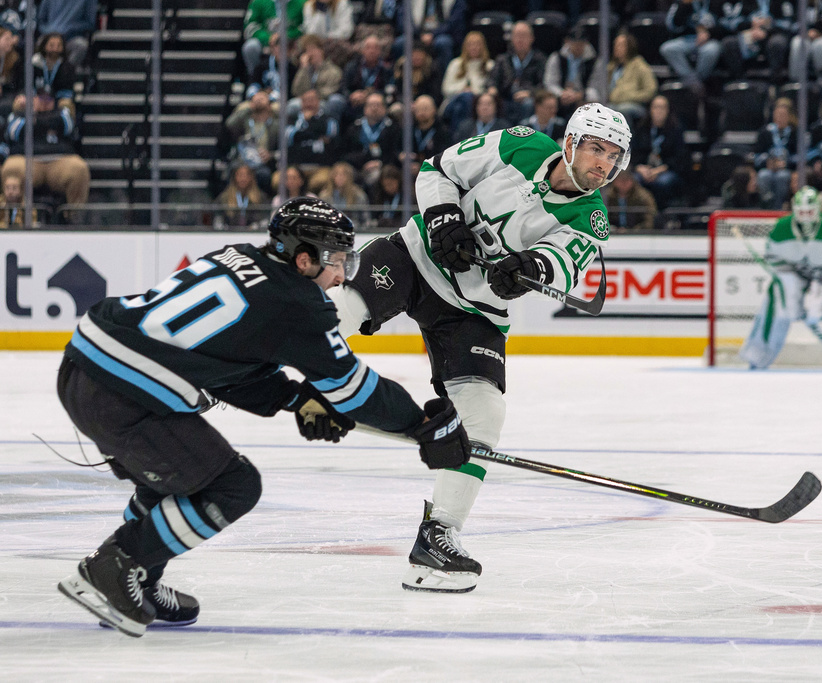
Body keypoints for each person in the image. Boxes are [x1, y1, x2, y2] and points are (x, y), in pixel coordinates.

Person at [56, 198, 471, 637]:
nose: (340, 275)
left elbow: (228, 367)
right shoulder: (297, 303)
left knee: (173, 478)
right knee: (233, 485)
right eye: (334, 261)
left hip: (88, 368)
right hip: (125, 393)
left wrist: (297, 400)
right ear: (303, 257)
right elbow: (354, 389)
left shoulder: (238, 255)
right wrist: (421, 425)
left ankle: (140, 576)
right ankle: (116, 566)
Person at [326, 103, 631, 593]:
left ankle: (438, 535)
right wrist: (444, 217)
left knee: (484, 414)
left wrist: (528, 270)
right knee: (338, 311)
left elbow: (562, 264)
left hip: (473, 311)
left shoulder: (591, 219)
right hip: (414, 255)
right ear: (571, 142)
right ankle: (242, 367)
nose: (603, 164)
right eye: (596, 148)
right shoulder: (522, 144)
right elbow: (438, 170)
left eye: (613, 157)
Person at [739, 186, 822, 369]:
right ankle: (758, 358)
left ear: (818, 210)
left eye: (809, 211)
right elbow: (774, 260)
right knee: (777, 308)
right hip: (792, 277)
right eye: (801, 211)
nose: (805, 216)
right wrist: (792, 286)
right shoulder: (781, 228)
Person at [2, 93, 91, 207]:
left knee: (79, 169)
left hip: (60, 160)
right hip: (28, 161)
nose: (44, 102)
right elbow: (13, 131)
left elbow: (68, 125)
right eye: (40, 98)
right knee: (11, 168)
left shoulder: (61, 112)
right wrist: (48, 122)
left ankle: (73, 216)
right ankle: (16, 217)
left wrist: (35, 122)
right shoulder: (19, 114)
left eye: (48, 99)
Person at [631, 94, 690, 209]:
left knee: (663, 182)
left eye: (662, 108)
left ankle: (661, 213)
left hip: (665, 170)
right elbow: (634, 154)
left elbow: (679, 158)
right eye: (656, 107)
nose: (659, 111)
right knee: (634, 180)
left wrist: (656, 171)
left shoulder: (675, 130)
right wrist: (640, 168)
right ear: (650, 110)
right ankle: (640, 213)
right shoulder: (641, 129)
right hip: (644, 169)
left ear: (668, 110)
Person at [486, 21, 546, 126]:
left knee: (528, 104)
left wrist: (530, 93)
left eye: (523, 36)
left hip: (528, 98)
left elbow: (543, 84)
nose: (520, 40)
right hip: (506, 97)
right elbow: (493, 80)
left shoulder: (540, 60)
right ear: (512, 39)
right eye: (517, 36)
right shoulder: (503, 59)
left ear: (532, 38)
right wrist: (492, 89)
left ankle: (523, 137)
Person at [223, 89, 280, 195]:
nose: (258, 100)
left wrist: (270, 155)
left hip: (263, 163)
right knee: (232, 170)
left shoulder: (275, 125)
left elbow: (282, 149)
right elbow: (229, 124)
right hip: (243, 161)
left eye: (262, 98)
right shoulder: (244, 120)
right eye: (256, 98)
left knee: (264, 175)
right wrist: (247, 109)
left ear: (269, 104)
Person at [660, 0, 723, 88]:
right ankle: (693, 82)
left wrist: (710, 33)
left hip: (711, 40)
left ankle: (698, 81)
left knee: (710, 50)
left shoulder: (717, 3)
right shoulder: (681, 2)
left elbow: (727, 25)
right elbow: (673, 26)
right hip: (688, 39)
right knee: (667, 48)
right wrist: (684, 6)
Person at [603, 32, 658, 131]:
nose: (616, 47)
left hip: (633, 105)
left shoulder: (639, 64)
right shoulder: (611, 67)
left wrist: (631, 96)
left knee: (622, 111)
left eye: (620, 45)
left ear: (629, 46)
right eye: (615, 44)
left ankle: (627, 144)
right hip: (612, 104)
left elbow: (651, 90)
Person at [440, 30, 493, 133]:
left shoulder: (489, 65)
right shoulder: (455, 64)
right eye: (470, 44)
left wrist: (472, 91)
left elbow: (488, 91)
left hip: (477, 104)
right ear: (465, 46)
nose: (474, 47)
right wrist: (462, 90)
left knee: (461, 105)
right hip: (453, 100)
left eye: (477, 44)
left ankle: (458, 136)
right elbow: (446, 89)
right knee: (464, 98)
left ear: (483, 46)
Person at [542, 26, 600, 120]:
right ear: (567, 42)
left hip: (583, 99)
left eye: (580, 44)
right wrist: (562, 93)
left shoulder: (594, 61)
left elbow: (597, 90)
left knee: (590, 104)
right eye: (575, 43)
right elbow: (549, 83)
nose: (578, 47)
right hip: (561, 97)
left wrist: (579, 95)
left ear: (586, 43)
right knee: (546, 101)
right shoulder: (556, 57)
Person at [242, 0, 305, 81]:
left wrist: (286, 36)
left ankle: (297, 82)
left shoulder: (301, 2)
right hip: (266, 44)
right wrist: (268, 38)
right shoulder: (258, 2)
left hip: (292, 44)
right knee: (250, 47)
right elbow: (250, 27)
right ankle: (255, 80)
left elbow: (304, 27)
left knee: (304, 45)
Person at [754, 97, 799, 209]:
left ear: (789, 116)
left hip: (787, 170)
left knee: (782, 177)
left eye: (783, 115)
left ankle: (778, 208)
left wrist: (787, 163)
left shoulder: (795, 133)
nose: (779, 118)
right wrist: (767, 163)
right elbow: (757, 156)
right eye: (777, 114)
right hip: (768, 169)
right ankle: (766, 207)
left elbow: (800, 156)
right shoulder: (765, 132)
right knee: (764, 176)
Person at [288, 34, 345, 122]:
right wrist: (303, 69)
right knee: (292, 105)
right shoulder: (304, 70)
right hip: (305, 102)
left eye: (313, 49)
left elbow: (332, 89)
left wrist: (314, 97)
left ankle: (331, 130)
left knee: (336, 101)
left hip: (322, 101)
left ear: (321, 50)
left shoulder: (332, 70)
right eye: (307, 50)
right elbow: (296, 90)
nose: (310, 53)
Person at [36, 0, 94, 69]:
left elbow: (90, 23)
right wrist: (50, 32)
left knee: (81, 45)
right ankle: (43, 73)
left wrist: (70, 28)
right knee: (39, 43)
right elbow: (41, 22)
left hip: (71, 37)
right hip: (50, 36)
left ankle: (65, 71)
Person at [300, 0, 356, 67]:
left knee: (337, 47)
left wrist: (329, 36)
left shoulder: (342, 3)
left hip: (336, 41)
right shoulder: (309, 6)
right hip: (317, 41)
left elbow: (347, 31)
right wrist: (320, 13)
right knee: (304, 46)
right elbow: (310, 32)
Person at [602, 164, 657, 230]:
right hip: (612, 233)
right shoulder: (607, 195)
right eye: (620, 180)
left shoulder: (643, 196)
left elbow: (650, 219)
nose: (623, 184)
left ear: (632, 181)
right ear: (614, 181)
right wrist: (612, 228)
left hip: (637, 234)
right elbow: (602, 216)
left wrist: (633, 230)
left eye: (626, 180)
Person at [216, 164, 268, 228]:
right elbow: (218, 219)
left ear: (251, 177)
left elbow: (265, 220)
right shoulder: (224, 198)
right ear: (234, 177)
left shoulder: (261, 197)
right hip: (230, 234)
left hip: (253, 235)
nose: (243, 178)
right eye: (240, 175)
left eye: (247, 175)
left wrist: (255, 226)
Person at [32, 33, 76, 105]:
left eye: (58, 45)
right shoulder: (35, 63)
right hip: (36, 99)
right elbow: (29, 86)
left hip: (58, 100)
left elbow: (67, 91)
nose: (55, 49)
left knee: (66, 103)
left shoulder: (67, 67)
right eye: (52, 45)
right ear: (44, 46)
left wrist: (55, 100)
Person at [0, 20, 23, 119]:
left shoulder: (16, 59)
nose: (11, 42)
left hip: (8, 96)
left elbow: (18, 84)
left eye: (11, 39)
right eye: (7, 39)